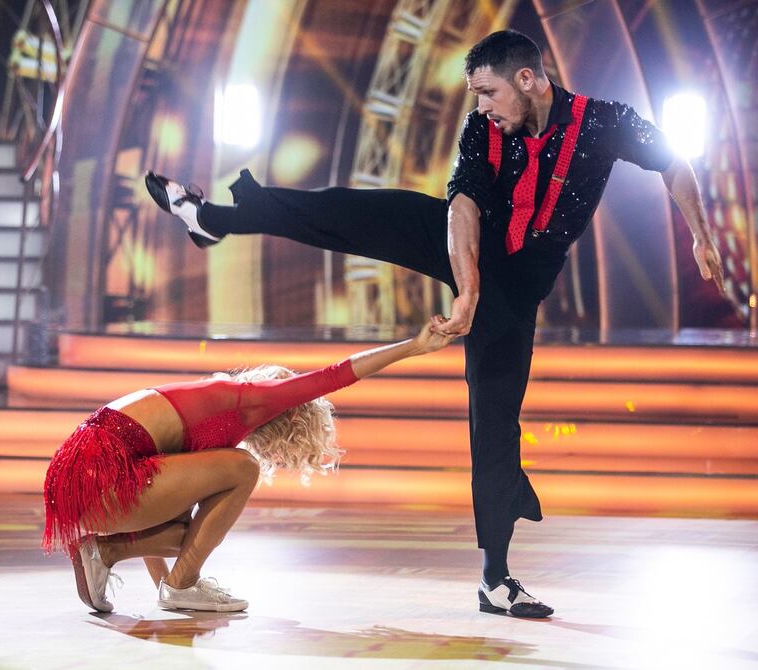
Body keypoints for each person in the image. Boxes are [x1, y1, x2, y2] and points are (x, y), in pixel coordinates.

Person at [145, 30, 725, 619]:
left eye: (488, 93)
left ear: (527, 80)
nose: (481, 108)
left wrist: (700, 235)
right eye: (476, 96)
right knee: (357, 210)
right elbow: (463, 205)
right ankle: (212, 219)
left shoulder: (603, 124)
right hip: (465, 250)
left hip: (514, 290)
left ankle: (496, 580)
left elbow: (673, 161)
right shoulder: (483, 129)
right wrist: (466, 284)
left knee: (494, 424)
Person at [43, 319, 456, 613]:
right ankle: (133, 563)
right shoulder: (256, 397)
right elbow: (337, 375)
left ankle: (116, 555)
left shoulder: (206, 415)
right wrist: (414, 346)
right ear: (292, 417)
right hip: (100, 480)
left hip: (78, 485)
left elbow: (166, 508)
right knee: (243, 468)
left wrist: (169, 589)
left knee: (192, 535)